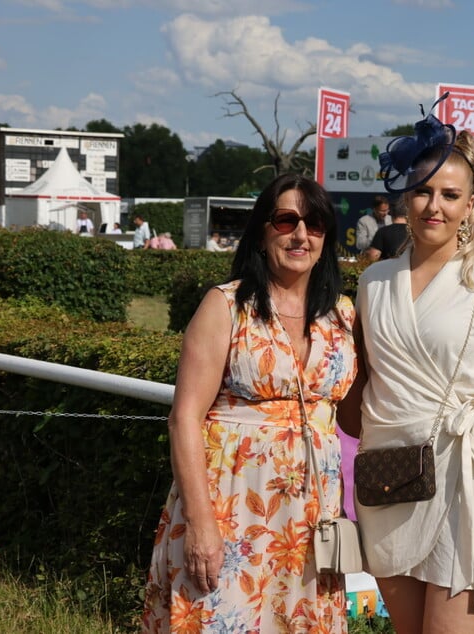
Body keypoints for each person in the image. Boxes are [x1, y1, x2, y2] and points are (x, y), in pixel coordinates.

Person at [345, 96, 474, 632]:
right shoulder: (373, 283)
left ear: (470, 203)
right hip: (390, 485)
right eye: (422, 191)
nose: (433, 205)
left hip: (468, 485)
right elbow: (362, 386)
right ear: (404, 198)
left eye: (449, 194)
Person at [141, 173, 358, 633]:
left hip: (308, 523)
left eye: (315, 223)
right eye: (286, 220)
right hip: (229, 509)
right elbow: (184, 419)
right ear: (262, 230)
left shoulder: (344, 314)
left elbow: (358, 415)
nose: (301, 234)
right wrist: (200, 523)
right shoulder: (226, 305)